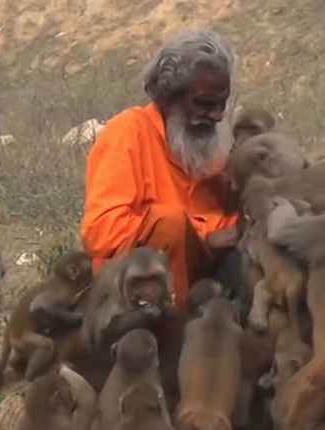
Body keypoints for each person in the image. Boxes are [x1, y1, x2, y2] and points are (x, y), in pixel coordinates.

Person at [81, 29, 241, 311]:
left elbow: (225, 219)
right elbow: (100, 233)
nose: (217, 115)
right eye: (205, 104)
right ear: (167, 98)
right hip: (135, 295)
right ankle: (171, 344)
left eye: (222, 104)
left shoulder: (213, 144)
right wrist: (200, 238)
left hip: (203, 279)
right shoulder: (128, 132)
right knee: (168, 222)